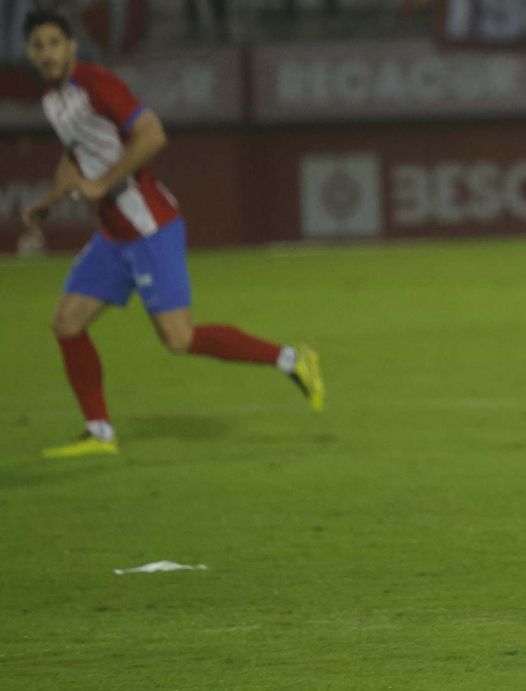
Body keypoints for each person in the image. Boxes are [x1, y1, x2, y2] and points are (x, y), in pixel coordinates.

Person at [20, 10, 323, 459]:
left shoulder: (97, 85)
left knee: (179, 338)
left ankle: (293, 359)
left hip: (149, 228)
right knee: (66, 322)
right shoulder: (53, 100)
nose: (47, 53)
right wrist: (48, 201)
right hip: (113, 235)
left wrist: (103, 184)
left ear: (71, 47)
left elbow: (152, 134)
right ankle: (99, 432)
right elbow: (75, 154)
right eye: (38, 46)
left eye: (53, 43)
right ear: (29, 53)